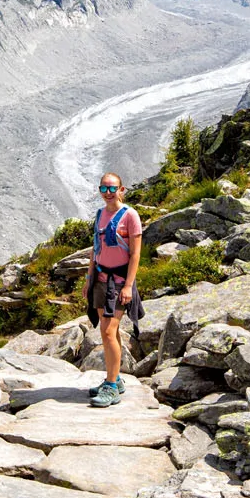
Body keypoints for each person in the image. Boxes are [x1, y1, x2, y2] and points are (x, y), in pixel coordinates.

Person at [84, 172, 143, 407]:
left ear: (121, 189)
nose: (108, 193)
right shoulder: (100, 214)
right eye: (104, 188)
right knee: (109, 331)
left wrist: (128, 285)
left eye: (112, 188)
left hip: (119, 281)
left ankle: (110, 387)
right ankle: (114, 379)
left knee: (108, 331)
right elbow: (95, 248)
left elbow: (135, 254)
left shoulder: (130, 216)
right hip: (100, 278)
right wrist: (89, 278)